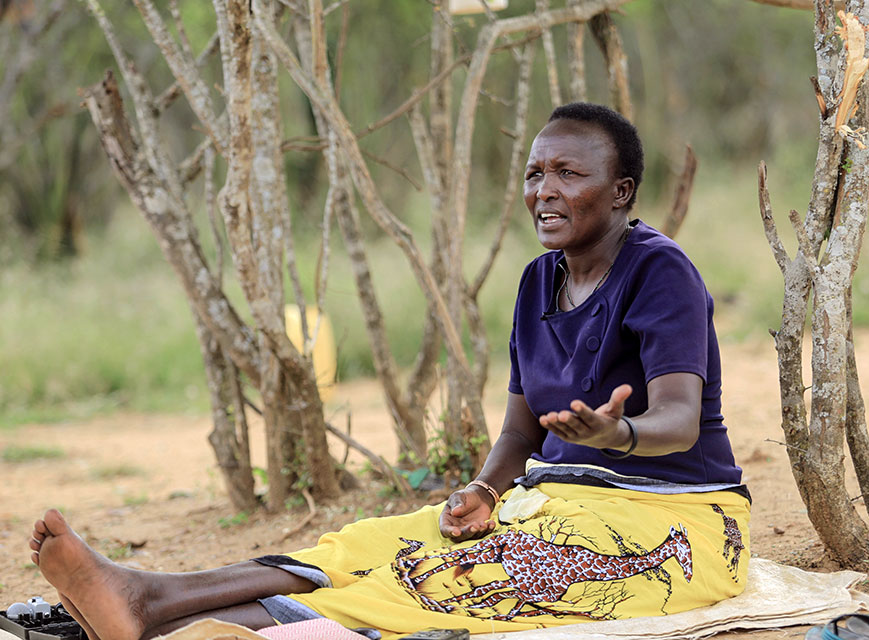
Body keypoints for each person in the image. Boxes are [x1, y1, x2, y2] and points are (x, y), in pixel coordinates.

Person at [27, 102, 750, 640]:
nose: (544, 190)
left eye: (569, 173)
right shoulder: (539, 281)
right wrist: (482, 489)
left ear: (620, 193)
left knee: (442, 584)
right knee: (368, 544)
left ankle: (187, 625)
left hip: (678, 525)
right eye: (534, 174)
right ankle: (146, 596)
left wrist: (615, 431)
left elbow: (680, 422)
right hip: (555, 506)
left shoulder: (660, 272)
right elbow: (522, 426)